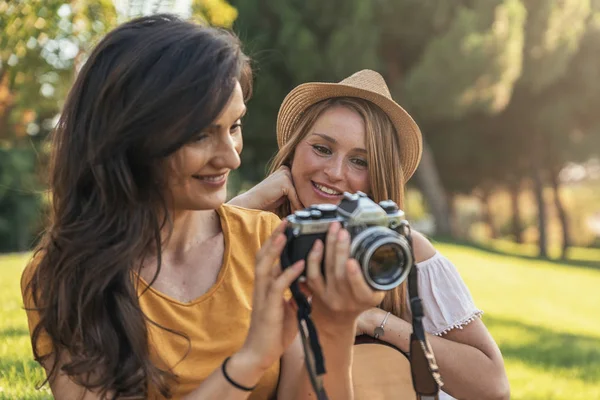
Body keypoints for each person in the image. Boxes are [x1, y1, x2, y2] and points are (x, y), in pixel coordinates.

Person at [20, 16, 384, 400]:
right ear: (128, 137)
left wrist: (335, 329)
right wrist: (248, 362)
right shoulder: (66, 276)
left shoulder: (267, 240)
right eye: (200, 134)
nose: (230, 158)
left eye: (235, 126)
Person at [229, 70, 511, 400]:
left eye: (359, 161)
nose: (334, 173)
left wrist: (375, 321)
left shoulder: (400, 248)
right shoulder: (250, 229)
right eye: (322, 149)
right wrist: (242, 206)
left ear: (378, 175)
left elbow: (493, 386)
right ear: (293, 151)